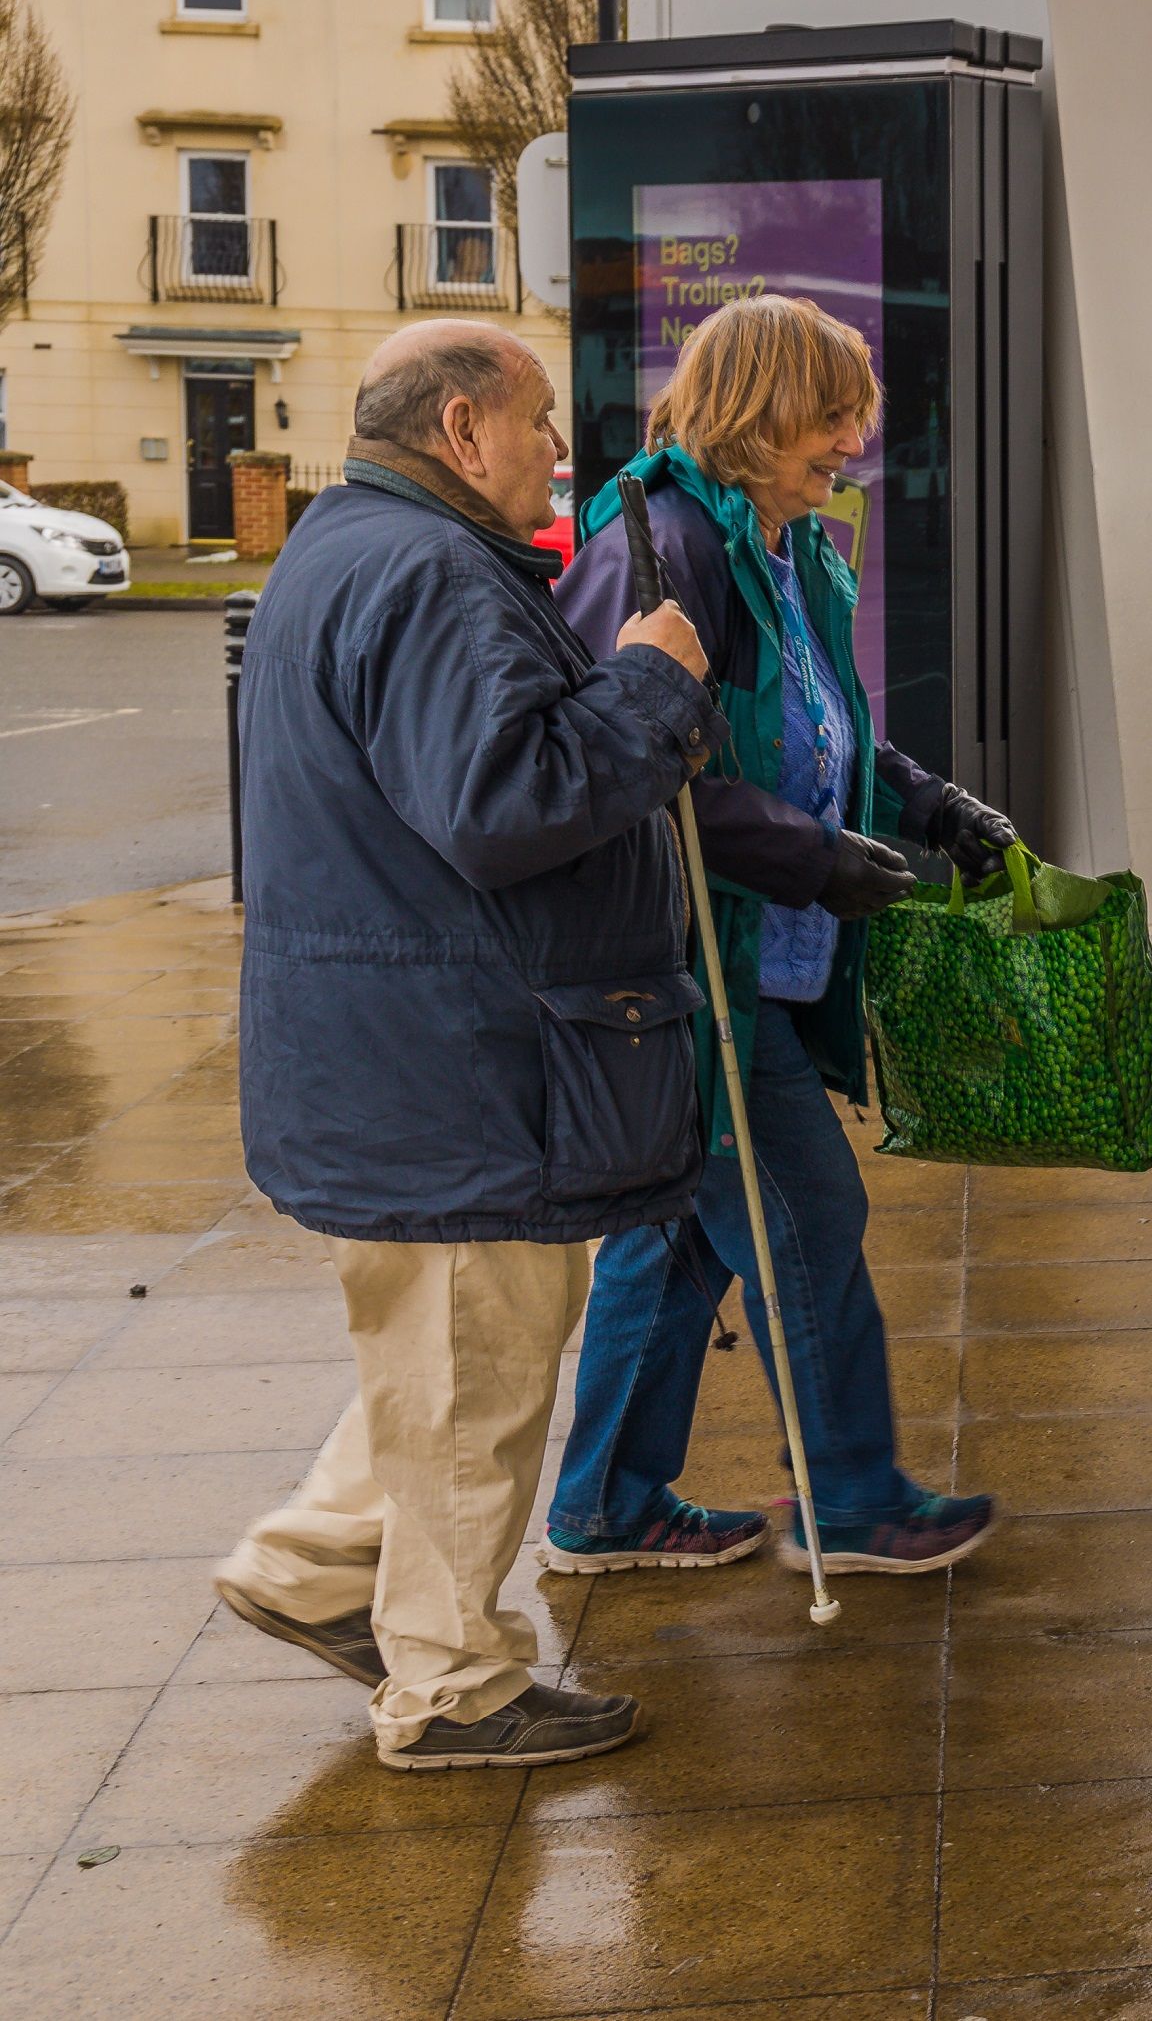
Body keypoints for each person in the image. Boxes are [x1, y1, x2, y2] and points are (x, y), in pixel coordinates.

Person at [214, 319, 718, 1771]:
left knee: (437, 1351)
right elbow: (506, 805)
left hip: (403, 1045)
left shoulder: (349, 547)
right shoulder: (434, 572)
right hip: (462, 1059)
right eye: (539, 417)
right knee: (470, 1377)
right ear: (460, 429)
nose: (559, 447)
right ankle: (451, 1686)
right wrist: (651, 681)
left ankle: (317, 1563)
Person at [542, 294, 1016, 1578]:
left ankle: (603, 1503)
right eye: (833, 416)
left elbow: (820, 720)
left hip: (755, 954)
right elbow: (627, 767)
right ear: (760, 412)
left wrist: (928, 802)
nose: (855, 442)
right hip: (691, 961)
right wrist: (812, 855)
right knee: (804, 1206)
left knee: (684, 1233)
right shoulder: (664, 545)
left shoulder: (783, 540)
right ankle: (851, 1496)